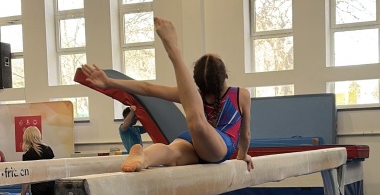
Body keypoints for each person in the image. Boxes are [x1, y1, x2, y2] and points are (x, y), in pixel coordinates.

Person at [82, 16, 253, 174]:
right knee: (197, 123)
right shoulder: (241, 95)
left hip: (193, 140)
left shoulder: (190, 96)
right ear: (225, 75)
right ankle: (174, 52)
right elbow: (245, 135)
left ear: (198, 81)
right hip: (218, 147)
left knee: (172, 153)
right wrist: (242, 155)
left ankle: (145, 157)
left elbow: (147, 88)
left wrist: (110, 82)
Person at [20, 126, 56, 195]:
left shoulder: (28, 155)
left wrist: (23, 192)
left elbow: (27, 176)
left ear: (26, 138)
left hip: (37, 185)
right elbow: (54, 168)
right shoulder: (48, 150)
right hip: (50, 183)